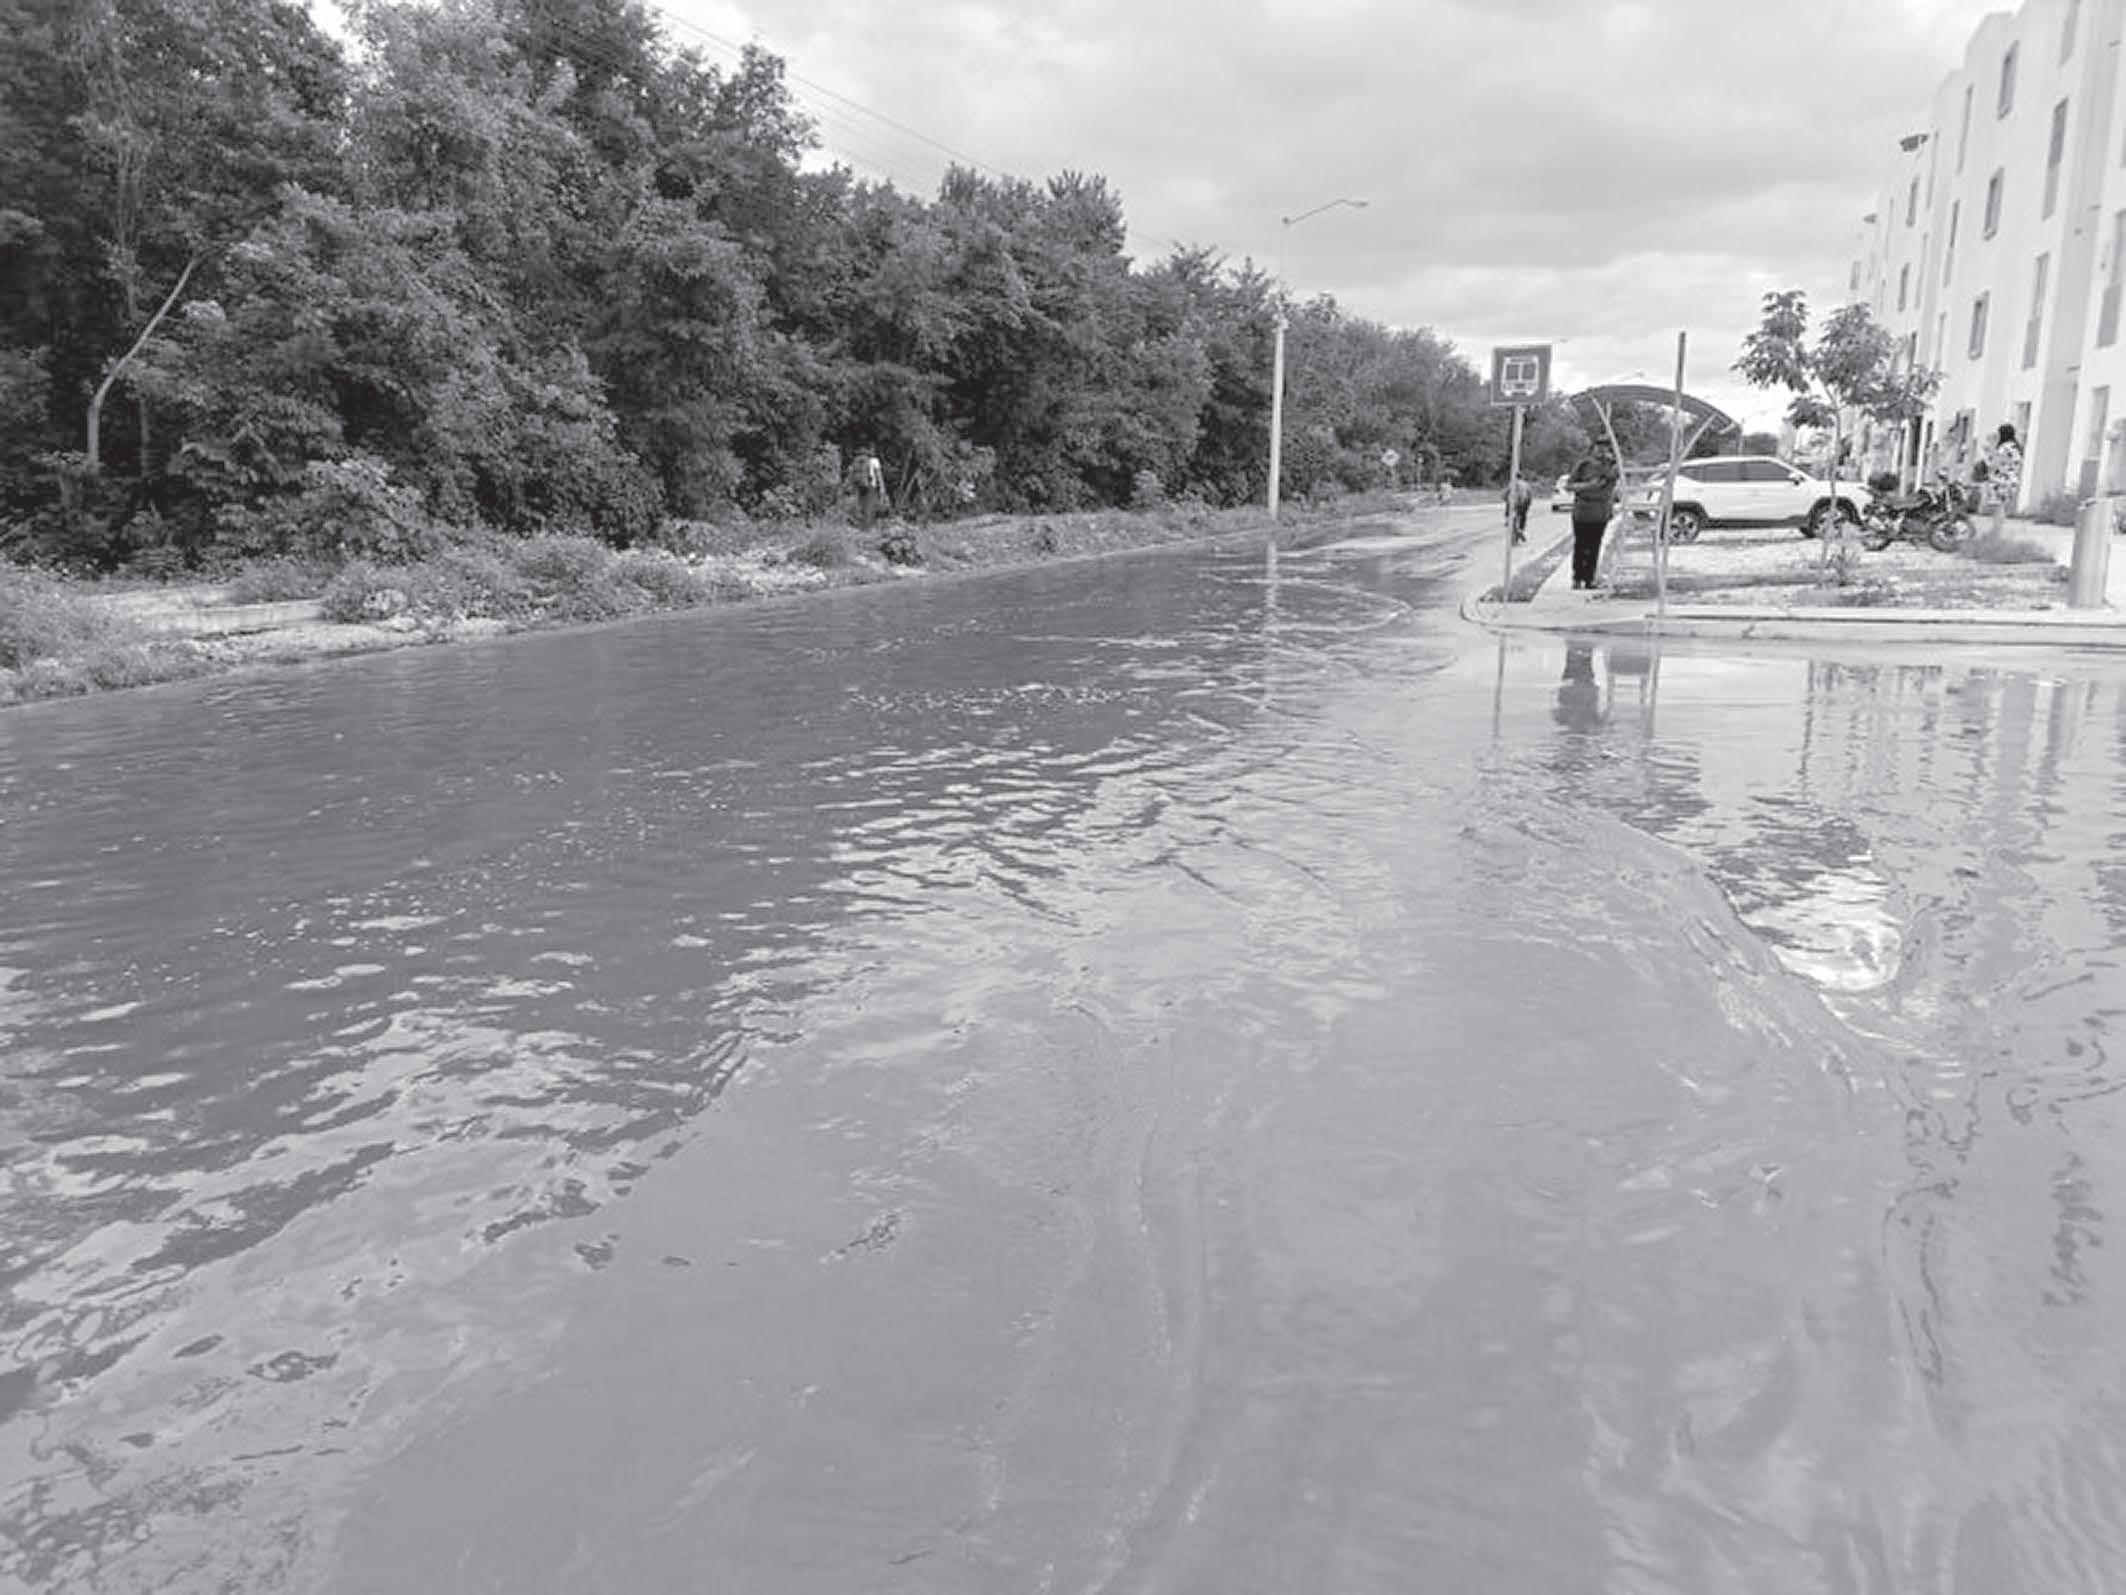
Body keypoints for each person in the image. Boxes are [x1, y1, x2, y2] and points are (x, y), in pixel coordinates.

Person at [1565, 444, 1620, 590]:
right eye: (1599, 447)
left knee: (1594, 546)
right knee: (1581, 545)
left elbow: (1614, 479)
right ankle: (1577, 578)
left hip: (1601, 511)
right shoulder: (1584, 465)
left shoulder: (1613, 466)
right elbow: (1569, 486)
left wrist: (1610, 466)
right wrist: (1589, 486)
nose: (1602, 451)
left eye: (1605, 447)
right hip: (1583, 510)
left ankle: (1589, 578)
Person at [1980, 422, 2022, 537]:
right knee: (2001, 506)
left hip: (2000, 480)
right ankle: (1997, 530)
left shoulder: (2004, 448)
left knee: (1998, 507)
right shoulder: (2016, 448)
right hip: (2011, 479)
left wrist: (1989, 452)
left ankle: (1996, 531)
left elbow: (1994, 464)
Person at [851, 446, 887, 529]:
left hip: (860, 486)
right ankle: (867, 529)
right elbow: (878, 475)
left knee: (862, 507)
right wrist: (882, 488)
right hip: (871, 486)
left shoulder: (857, 460)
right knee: (869, 508)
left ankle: (861, 527)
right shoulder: (874, 460)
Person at [1504, 473, 1533, 543]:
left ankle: (1507, 520)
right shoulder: (1526, 485)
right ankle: (1521, 529)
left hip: (1512, 504)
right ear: (1521, 477)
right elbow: (1530, 496)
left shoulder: (1511, 484)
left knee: (1508, 511)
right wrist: (1528, 505)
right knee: (1523, 516)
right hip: (1522, 504)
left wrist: (1505, 500)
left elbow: (1505, 494)